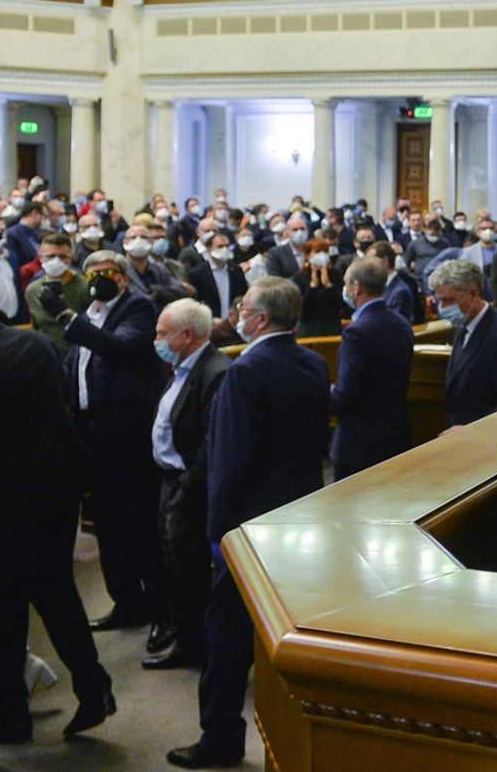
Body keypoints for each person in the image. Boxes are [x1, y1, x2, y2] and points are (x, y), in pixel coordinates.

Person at [0, 270, 112, 744]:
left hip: (7, 507)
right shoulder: (31, 343)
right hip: (56, 493)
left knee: (4, 612)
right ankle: (94, 688)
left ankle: (10, 714)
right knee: (57, 594)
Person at [168, 278, 329, 769]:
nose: (237, 313)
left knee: (226, 636)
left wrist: (217, 533)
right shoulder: (313, 362)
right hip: (298, 514)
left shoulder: (245, 372)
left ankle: (219, 737)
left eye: (244, 308)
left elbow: (229, 461)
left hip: (247, 526)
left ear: (260, 319)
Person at [45, 250, 171, 650]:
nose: (100, 279)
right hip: (93, 435)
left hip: (130, 437)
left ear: (122, 277)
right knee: (110, 526)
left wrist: (69, 320)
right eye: (92, 273)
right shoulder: (91, 312)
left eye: (108, 273)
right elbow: (77, 366)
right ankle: (126, 601)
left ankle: (160, 611)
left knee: (141, 525)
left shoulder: (137, 307)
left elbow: (119, 349)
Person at [147, 298, 231, 671]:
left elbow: (212, 443)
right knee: (173, 565)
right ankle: (182, 633)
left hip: (190, 488)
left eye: (162, 333)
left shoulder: (215, 372)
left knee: (189, 569)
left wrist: (185, 487)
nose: (157, 339)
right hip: (170, 481)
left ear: (186, 335)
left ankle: (192, 644)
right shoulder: (179, 368)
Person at [329, 258, 414, 480]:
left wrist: (322, 395)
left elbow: (346, 394)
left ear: (356, 287)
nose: (345, 289)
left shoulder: (356, 332)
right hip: (396, 435)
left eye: (347, 283)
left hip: (359, 444)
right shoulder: (402, 324)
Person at [427, 259, 497, 428]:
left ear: (473, 293)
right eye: (440, 301)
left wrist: (472, 429)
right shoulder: (463, 326)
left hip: (484, 439)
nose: (443, 307)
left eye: (448, 300)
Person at [25, 232, 89, 354]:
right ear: (41, 257)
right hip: (47, 356)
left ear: (70, 257)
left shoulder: (84, 287)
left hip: (78, 354)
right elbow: (36, 327)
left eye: (62, 256)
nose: (56, 261)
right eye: (51, 256)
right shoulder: (32, 290)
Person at [187, 229, 247, 319]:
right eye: (220, 246)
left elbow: (242, 296)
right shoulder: (197, 274)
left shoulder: (236, 271)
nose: (224, 249)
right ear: (209, 248)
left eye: (227, 246)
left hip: (232, 322)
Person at [293, 237, 344, 336]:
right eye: (317, 252)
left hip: (332, 326)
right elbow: (301, 309)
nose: (322, 255)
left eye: (325, 251)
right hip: (308, 327)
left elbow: (341, 304)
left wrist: (329, 286)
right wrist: (312, 287)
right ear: (308, 255)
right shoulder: (299, 276)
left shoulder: (335, 274)